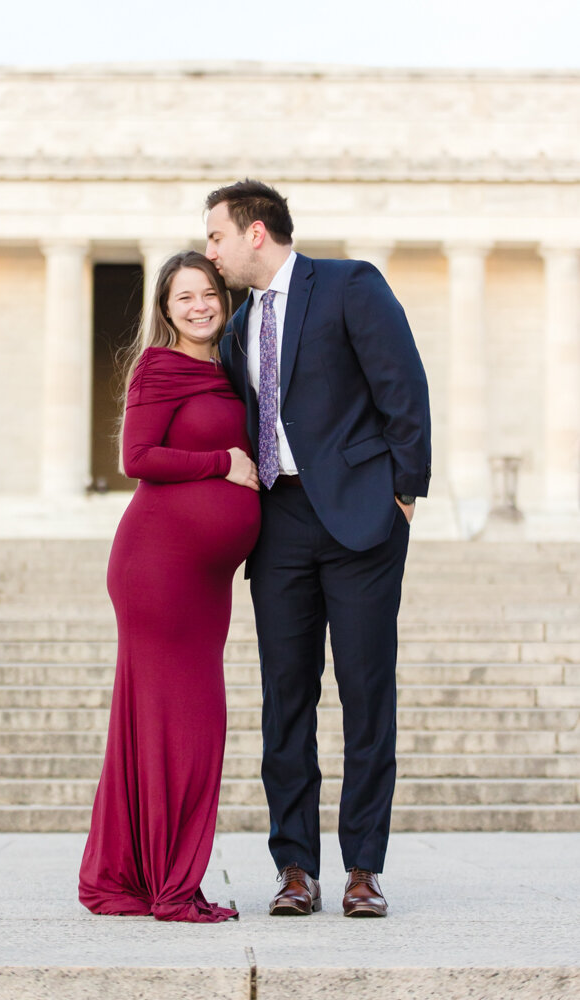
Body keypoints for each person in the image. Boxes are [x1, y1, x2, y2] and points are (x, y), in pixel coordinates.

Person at [205, 180, 431, 918]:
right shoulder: (239, 328)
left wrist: (405, 491)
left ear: (256, 233)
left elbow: (401, 384)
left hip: (363, 520)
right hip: (278, 525)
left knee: (367, 696)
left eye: (216, 236)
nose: (210, 251)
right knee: (285, 700)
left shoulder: (347, 284)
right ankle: (294, 867)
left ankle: (363, 868)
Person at [78, 250, 260, 923]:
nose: (198, 306)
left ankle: (132, 876)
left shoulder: (231, 369)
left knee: (157, 723)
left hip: (202, 581)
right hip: (158, 570)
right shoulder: (159, 366)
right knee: (188, 726)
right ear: (165, 310)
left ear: (223, 296)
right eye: (183, 297)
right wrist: (223, 463)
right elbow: (137, 457)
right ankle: (173, 886)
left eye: (207, 292)